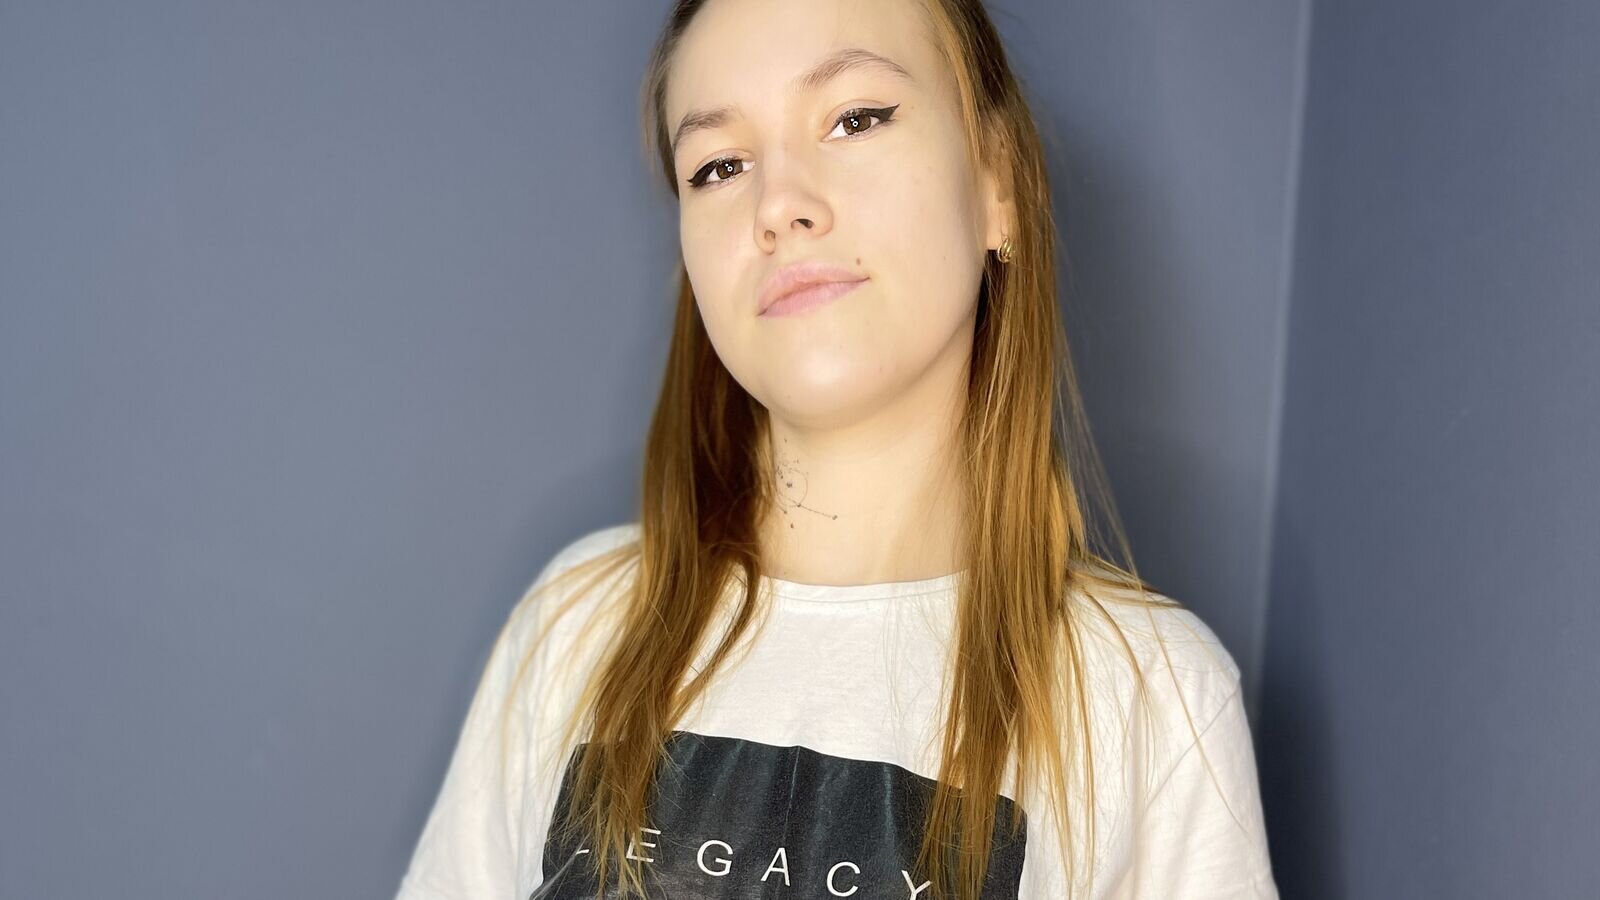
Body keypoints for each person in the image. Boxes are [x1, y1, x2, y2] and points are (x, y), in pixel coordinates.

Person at [395, 0, 1278, 897]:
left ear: (998, 182)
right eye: (719, 166)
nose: (778, 206)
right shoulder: (576, 627)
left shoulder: (1152, 700)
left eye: (856, 119)